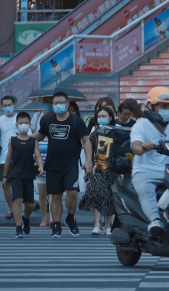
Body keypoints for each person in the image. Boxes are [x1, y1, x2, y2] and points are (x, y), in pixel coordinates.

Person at [32, 91, 92, 238]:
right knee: (55, 195)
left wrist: (88, 161)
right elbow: (39, 136)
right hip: (52, 165)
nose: (57, 105)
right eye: (55, 103)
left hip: (71, 164)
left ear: (67, 104)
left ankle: (70, 218)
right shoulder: (48, 119)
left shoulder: (76, 120)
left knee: (72, 193)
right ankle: (56, 226)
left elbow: (86, 140)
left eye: (60, 103)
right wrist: (21, 138)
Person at [130, 87, 169, 236]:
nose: (167, 110)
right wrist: (143, 147)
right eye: (163, 106)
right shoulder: (140, 125)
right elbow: (136, 147)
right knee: (147, 190)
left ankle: (168, 214)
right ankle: (155, 220)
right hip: (144, 171)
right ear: (151, 106)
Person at [79, 106, 119, 236]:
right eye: (99, 116)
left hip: (111, 168)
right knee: (96, 194)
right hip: (98, 167)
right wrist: (88, 166)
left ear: (111, 118)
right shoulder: (94, 132)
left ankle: (108, 225)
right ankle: (96, 224)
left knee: (109, 196)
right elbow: (89, 150)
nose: (101, 119)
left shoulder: (116, 132)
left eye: (104, 116)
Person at [3, 112, 43, 238]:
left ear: (30, 125)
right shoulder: (13, 141)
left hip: (29, 174)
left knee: (30, 204)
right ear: (16, 125)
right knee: (18, 200)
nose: (23, 125)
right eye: (21, 123)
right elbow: (8, 159)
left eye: (26, 123)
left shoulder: (33, 141)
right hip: (15, 174)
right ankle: (18, 227)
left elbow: (38, 155)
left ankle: (26, 218)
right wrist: (5, 176)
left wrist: (41, 166)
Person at [0, 95, 24, 220]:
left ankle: (19, 209)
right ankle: (12, 209)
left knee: (19, 184)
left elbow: (28, 135)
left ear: (14, 104)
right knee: (6, 184)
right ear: (2, 106)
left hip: (19, 157)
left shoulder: (20, 119)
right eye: (5, 105)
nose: (7, 107)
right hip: (3, 157)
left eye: (9, 105)